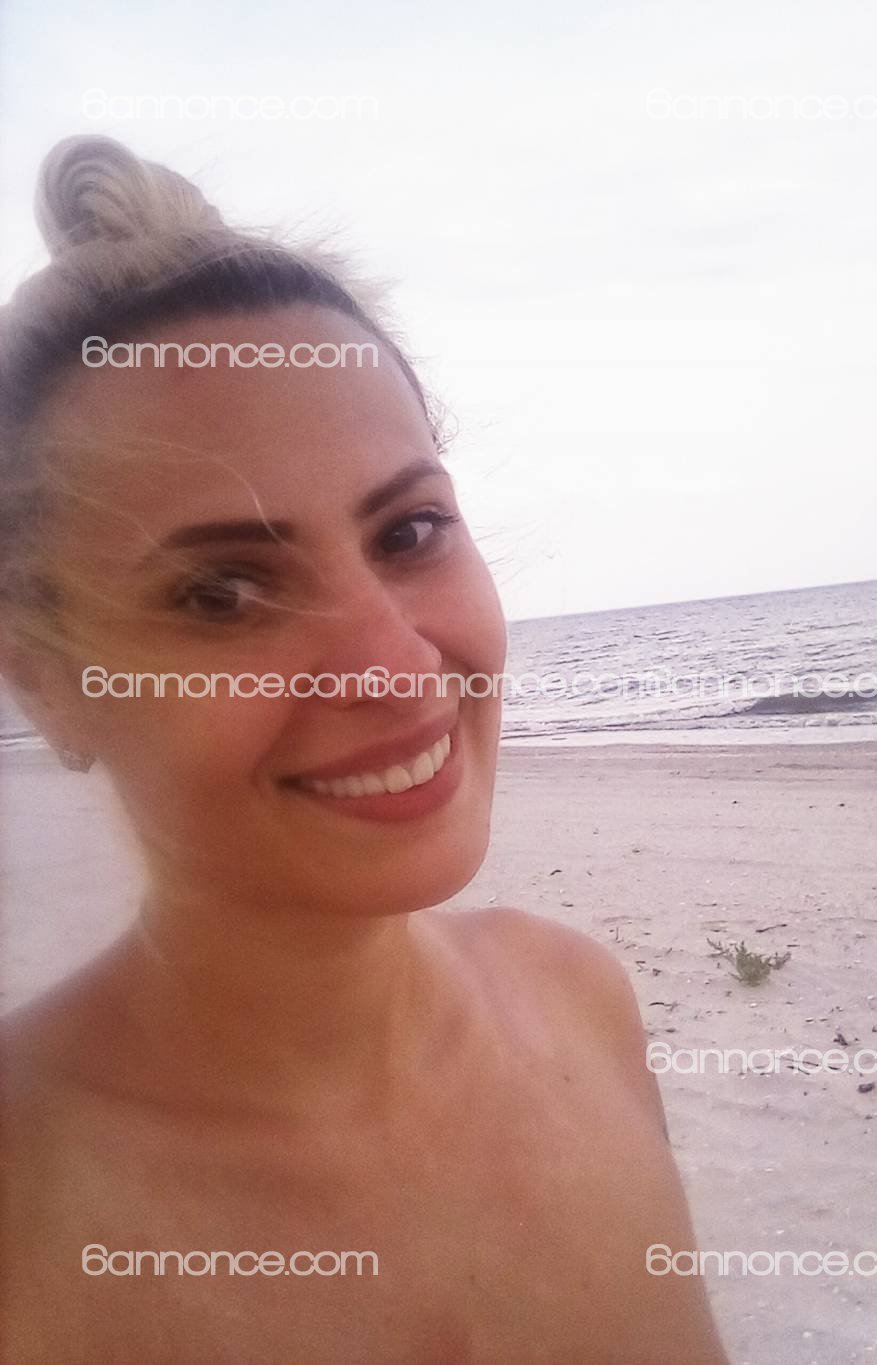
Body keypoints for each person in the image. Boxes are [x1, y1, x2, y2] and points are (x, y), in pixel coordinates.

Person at [0, 136, 729, 1363]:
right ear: (50, 687)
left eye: (410, 531)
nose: (393, 667)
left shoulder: (582, 1004)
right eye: (224, 593)